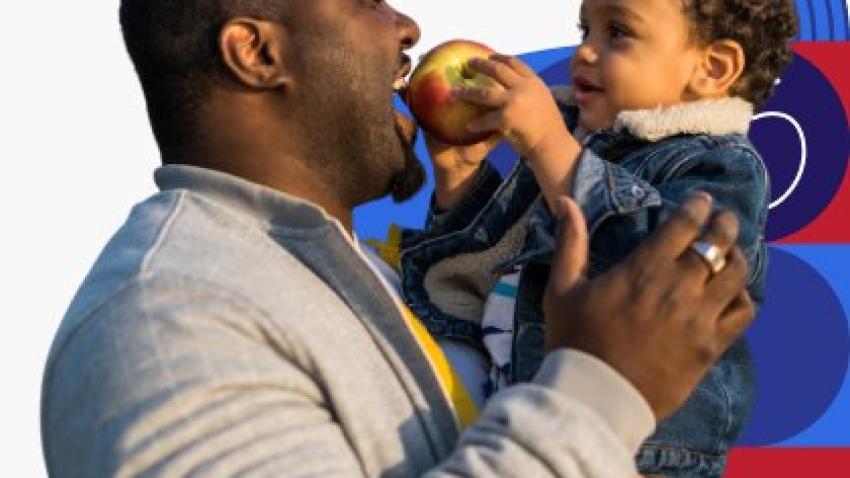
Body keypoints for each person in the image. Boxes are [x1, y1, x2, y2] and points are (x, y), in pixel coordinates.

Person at [41, 1, 754, 477]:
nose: (407, 27)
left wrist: (463, 198)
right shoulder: (164, 324)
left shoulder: (341, 276)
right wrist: (601, 391)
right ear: (255, 52)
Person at [398, 0, 797, 475]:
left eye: (618, 32)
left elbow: (657, 268)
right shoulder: (576, 148)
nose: (584, 52)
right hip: (538, 430)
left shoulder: (721, 165)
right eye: (584, 29)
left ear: (711, 68)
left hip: (640, 452)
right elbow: (480, 272)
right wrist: (458, 175)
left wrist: (548, 145)